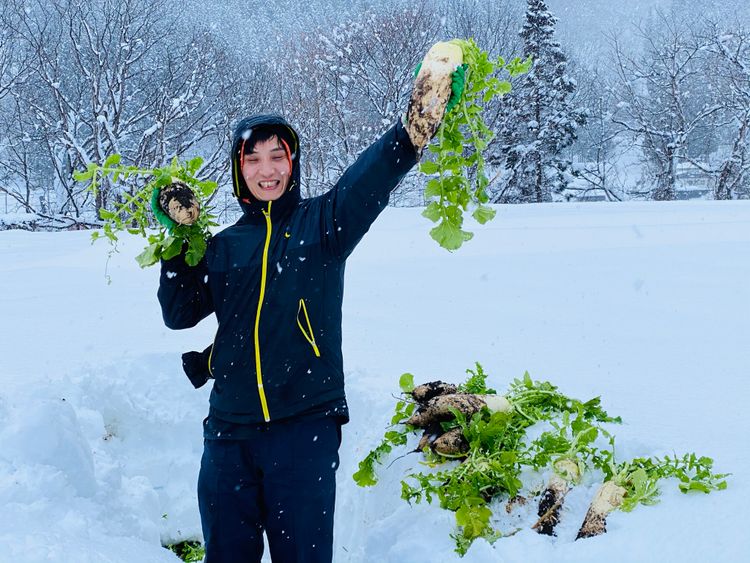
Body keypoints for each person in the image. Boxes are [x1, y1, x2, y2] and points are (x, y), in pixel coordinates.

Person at [155, 42, 465, 563]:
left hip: (303, 431)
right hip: (228, 433)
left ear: (293, 161)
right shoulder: (224, 244)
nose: (267, 169)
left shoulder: (323, 225)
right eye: (253, 158)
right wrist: (179, 241)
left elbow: (370, 180)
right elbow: (179, 313)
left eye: (277, 156)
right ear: (239, 170)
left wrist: (414, 129)